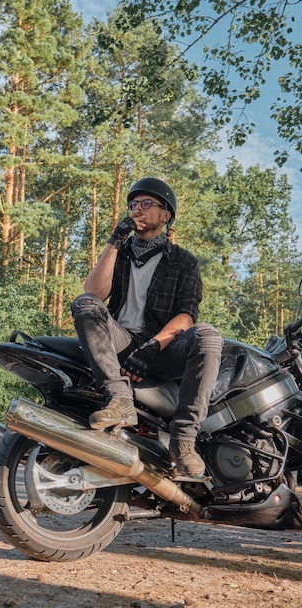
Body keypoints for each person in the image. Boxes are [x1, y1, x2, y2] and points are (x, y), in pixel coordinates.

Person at [71, 177, 223, 479]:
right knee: (84, 303)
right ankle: (120, 400)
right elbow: (95, 292)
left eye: (145, 204)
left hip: (163, 350)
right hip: (120, 342)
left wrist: (152, 347)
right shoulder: (121, 252)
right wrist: (115, 240)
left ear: (165, 214)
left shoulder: (183, 262)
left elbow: (186, 316)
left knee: (208, 336)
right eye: (132, 204)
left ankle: (183, 440)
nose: (136, 209)